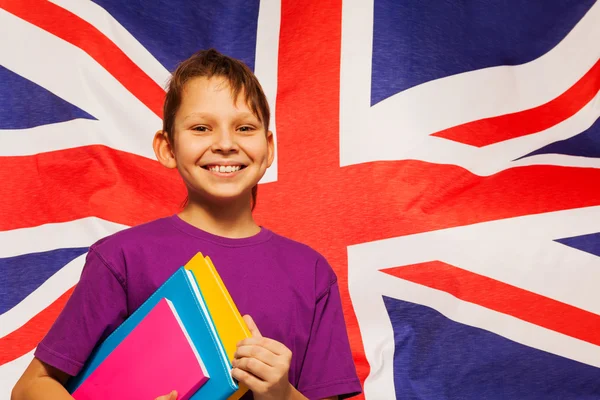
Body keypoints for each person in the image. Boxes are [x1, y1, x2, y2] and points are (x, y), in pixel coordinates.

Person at [11, 49, 362, 400]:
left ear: (268, 148)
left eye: (244, 127)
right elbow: (29, 388)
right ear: (167, 148)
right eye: (200, 128)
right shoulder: (121, 258)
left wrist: (282, 394)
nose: (225, 144)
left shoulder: (310, 272)